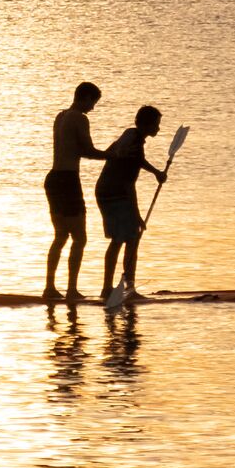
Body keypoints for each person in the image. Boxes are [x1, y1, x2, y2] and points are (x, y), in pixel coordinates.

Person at [96, 103, 168, 312]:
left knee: (124, 238)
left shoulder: (131, 135)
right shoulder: (133, 144)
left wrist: (156, 172)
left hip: (105, 190)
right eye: (156, 124)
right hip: (115, 193)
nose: (158, 128)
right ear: (146, 124)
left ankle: (113, 287)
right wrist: (137, 215)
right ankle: (122, 288)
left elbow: (138, 160)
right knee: (126, 238)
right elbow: (129, 184)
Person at [44, 81, 104, 305]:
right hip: (68, 180)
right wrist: (113, 155)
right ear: (85, 97)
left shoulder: (60, 116)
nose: (92, 108)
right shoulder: (79, 118)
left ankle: (50, 287)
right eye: (93, 102)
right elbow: (87, 151)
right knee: (79, 238)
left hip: (53, 178)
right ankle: (71, 290)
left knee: (60, 236)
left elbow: (73, 148)